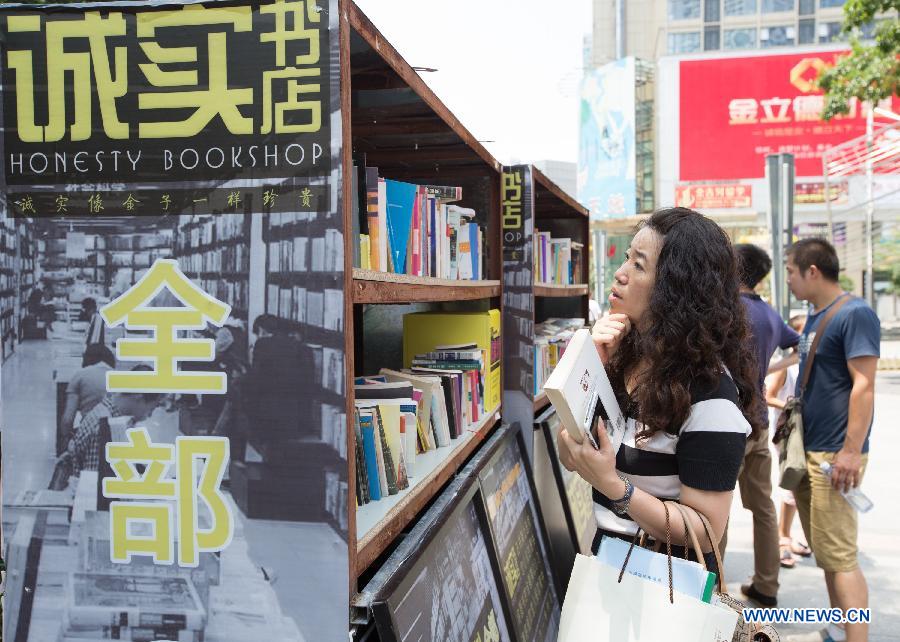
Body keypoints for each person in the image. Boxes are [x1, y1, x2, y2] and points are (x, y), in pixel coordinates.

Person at [558, 208, 762, 578]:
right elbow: (571, 456)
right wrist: (593, 367)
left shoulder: (710, 394)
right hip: (608, 565)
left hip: (663, 584)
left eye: (639, 265)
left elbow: (705, 530)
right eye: (626, 259)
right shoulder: (624, 358)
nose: (620, 274)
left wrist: (613, 486)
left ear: (676, 288)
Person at [783, 239, 879, 642]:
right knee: (826, 553)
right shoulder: (817, 314)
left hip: (834, 453)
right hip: (812, 449)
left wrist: (851, 452)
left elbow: (864, 386)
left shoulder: (855, 314)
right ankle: (841, 631)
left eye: (790, 271)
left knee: (840, 557)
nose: (787, 279)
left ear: (812, 271)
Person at [720, 244, 800, 607]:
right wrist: (769, 368)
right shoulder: (769, 314)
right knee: (763, 508)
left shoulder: (727, 311)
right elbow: (804, 346)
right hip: (759, 423)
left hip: (726, 421)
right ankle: (767, 586)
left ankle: (714, 588)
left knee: (714, 507)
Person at [764, 314, 811, 570]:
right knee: (790, 483)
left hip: (804, 432)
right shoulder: (784, 367)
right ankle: (782, 539)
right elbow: (768, 396)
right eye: (804, 332)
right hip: (787, 433)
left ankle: (789, 536)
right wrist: (792, 407)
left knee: (798, 485)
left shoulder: (809, 364)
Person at [63, 367, 163, 480]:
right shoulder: (104, 427)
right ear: (138, 396)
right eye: (151, 409)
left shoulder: (109, 412)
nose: (149, 416)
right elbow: (97, 487)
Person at [59, 344, 116, 445]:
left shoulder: (80, 376)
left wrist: (65, 439)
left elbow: (68, 420)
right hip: (116, 435)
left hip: (89, 434)